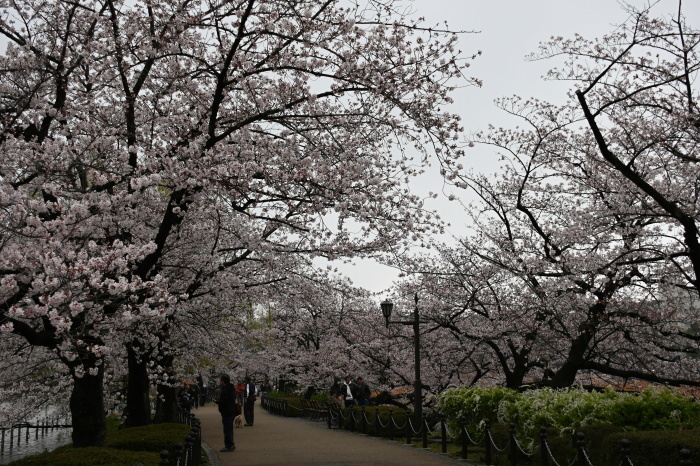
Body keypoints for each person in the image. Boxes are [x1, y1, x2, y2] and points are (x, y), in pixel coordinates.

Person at [215, 374, 236, 452]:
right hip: (231, 411)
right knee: (229, 429)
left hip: (227, 412)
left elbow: (224, 401)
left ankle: (229, 445)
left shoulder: (226, 390)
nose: (220, 382)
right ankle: (231, 444)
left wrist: (217, 402)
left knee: (227, 429)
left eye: (220, 380)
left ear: (223, 381)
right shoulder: (231, 388)